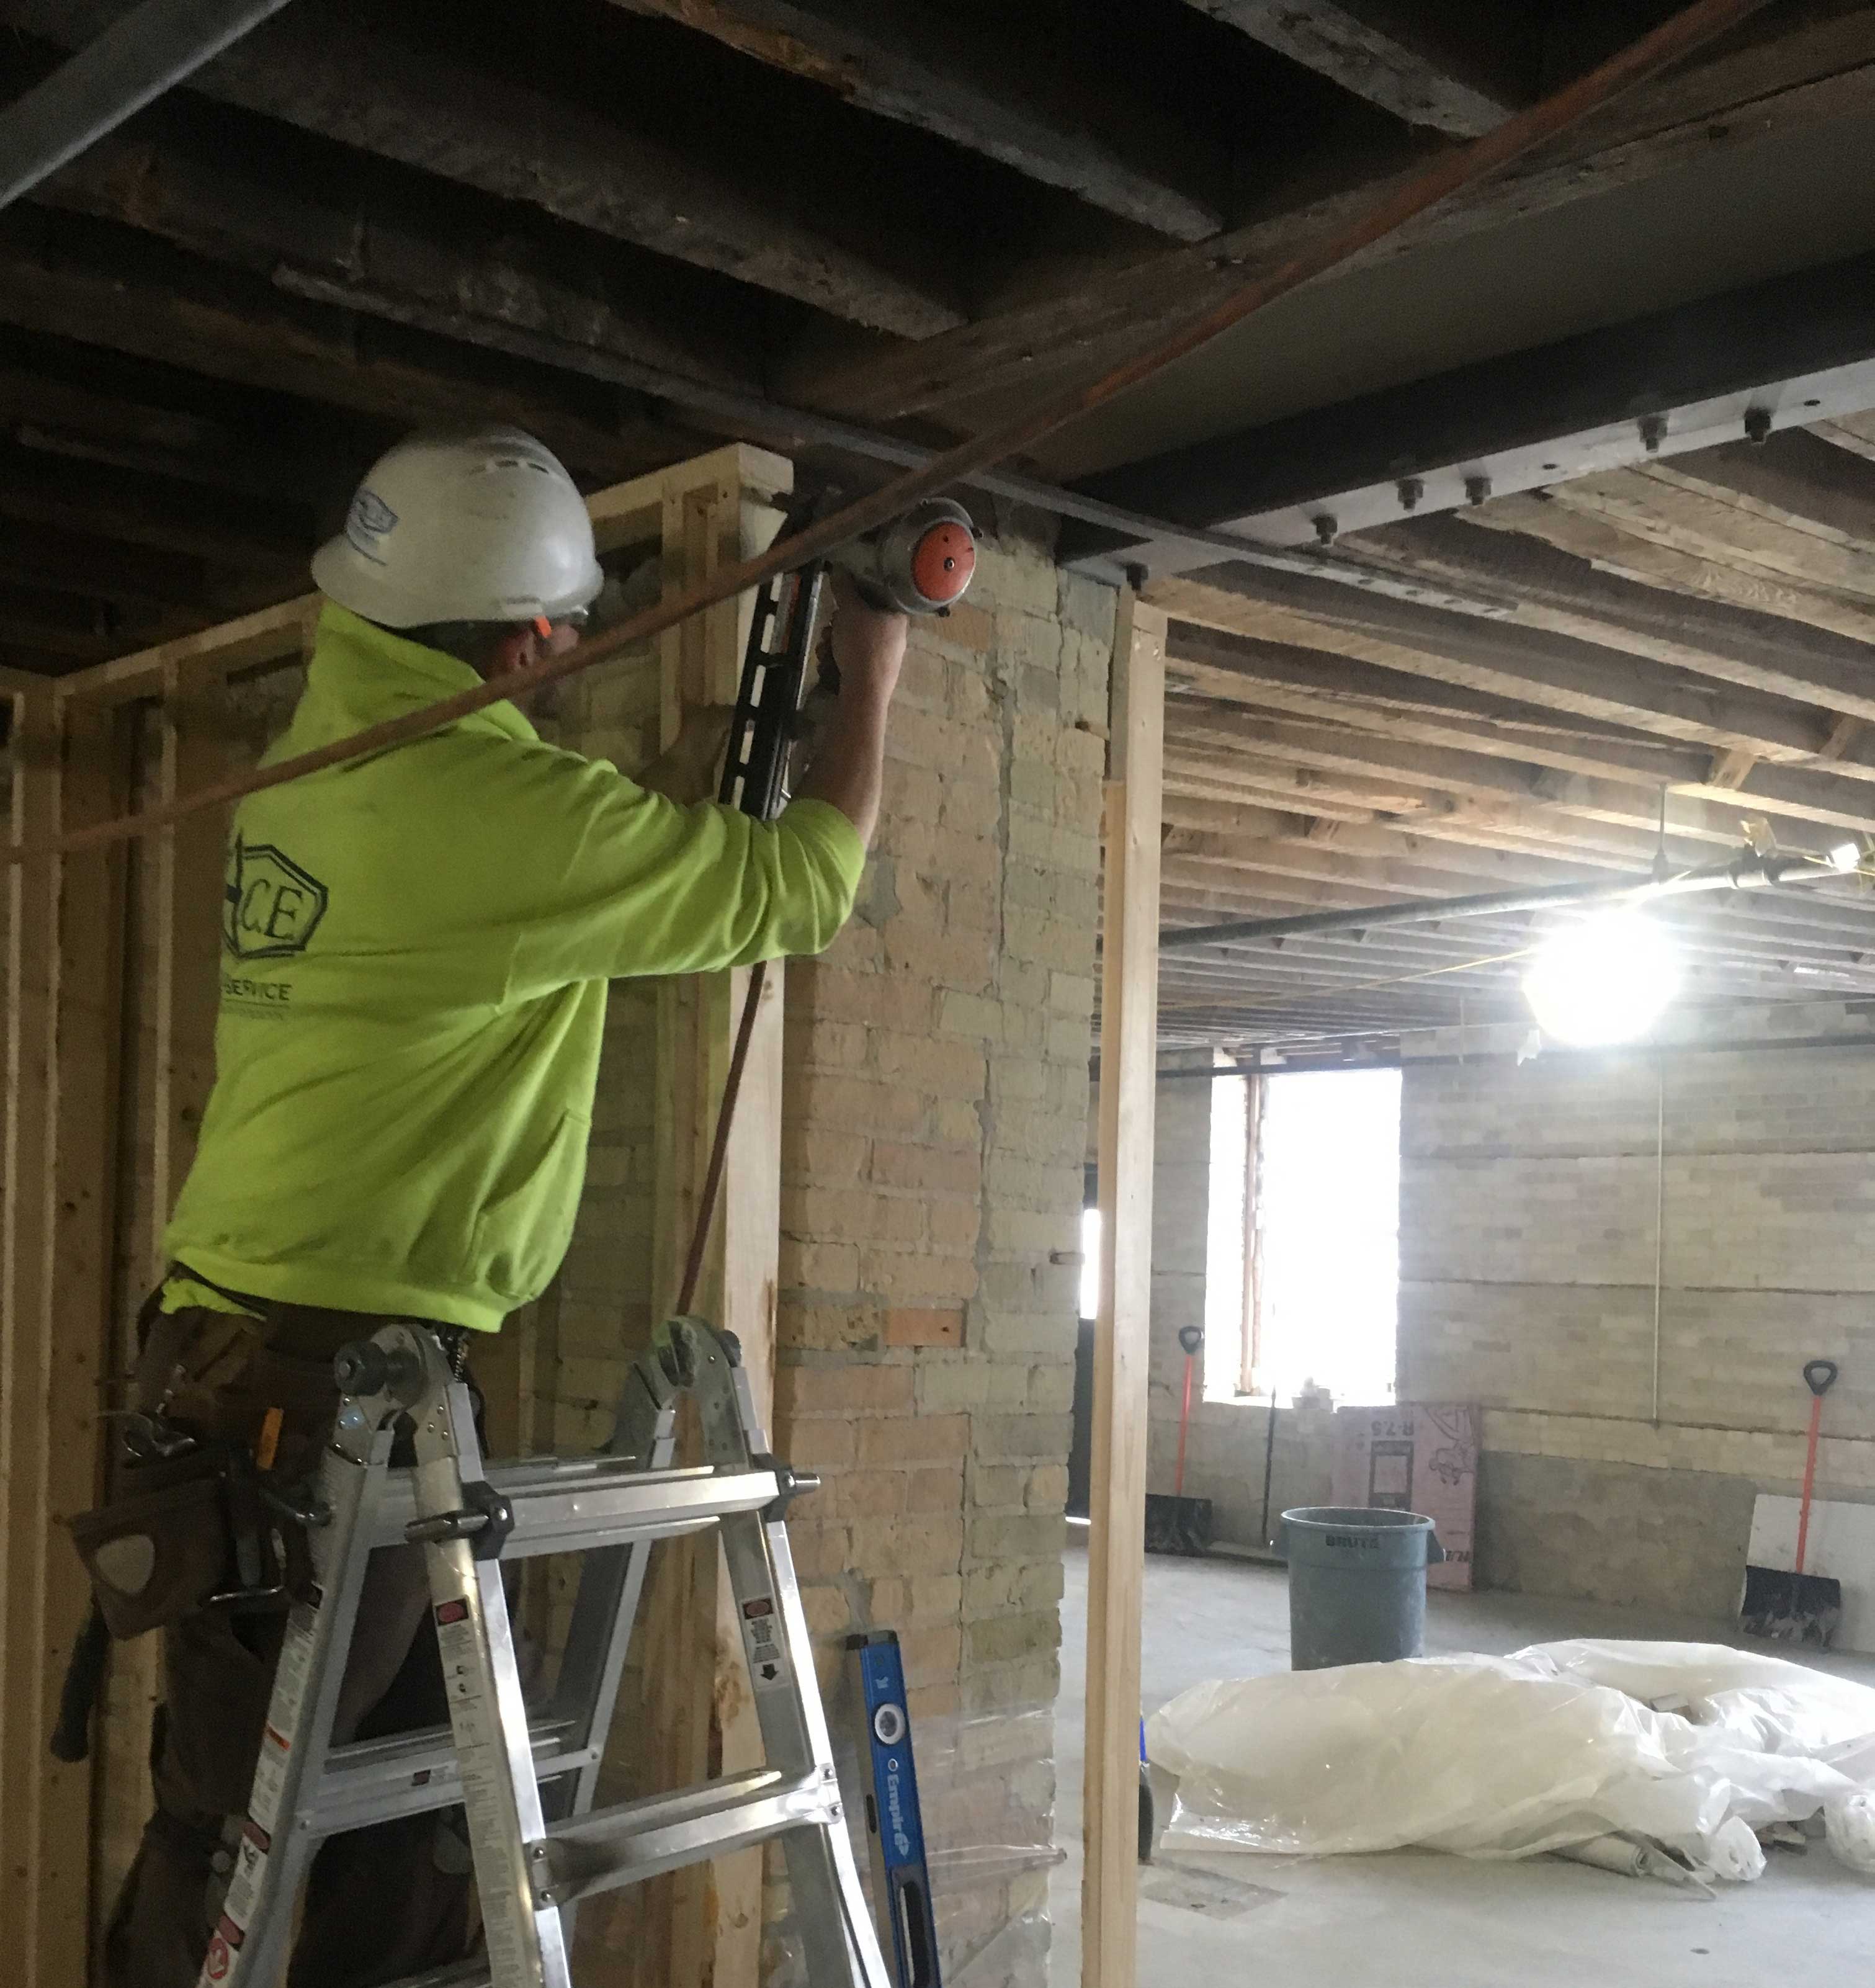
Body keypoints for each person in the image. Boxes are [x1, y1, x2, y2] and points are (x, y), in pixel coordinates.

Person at [100, 428, 905, 1987]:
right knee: (241, 1833)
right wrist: (872, 675)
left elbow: (524, 889)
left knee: (381, 1820)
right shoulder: (501, 812)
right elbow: (795, 891)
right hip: (315, 1396)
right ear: (528, 640)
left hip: (276, 1372)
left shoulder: (315, 772)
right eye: (564, 635)